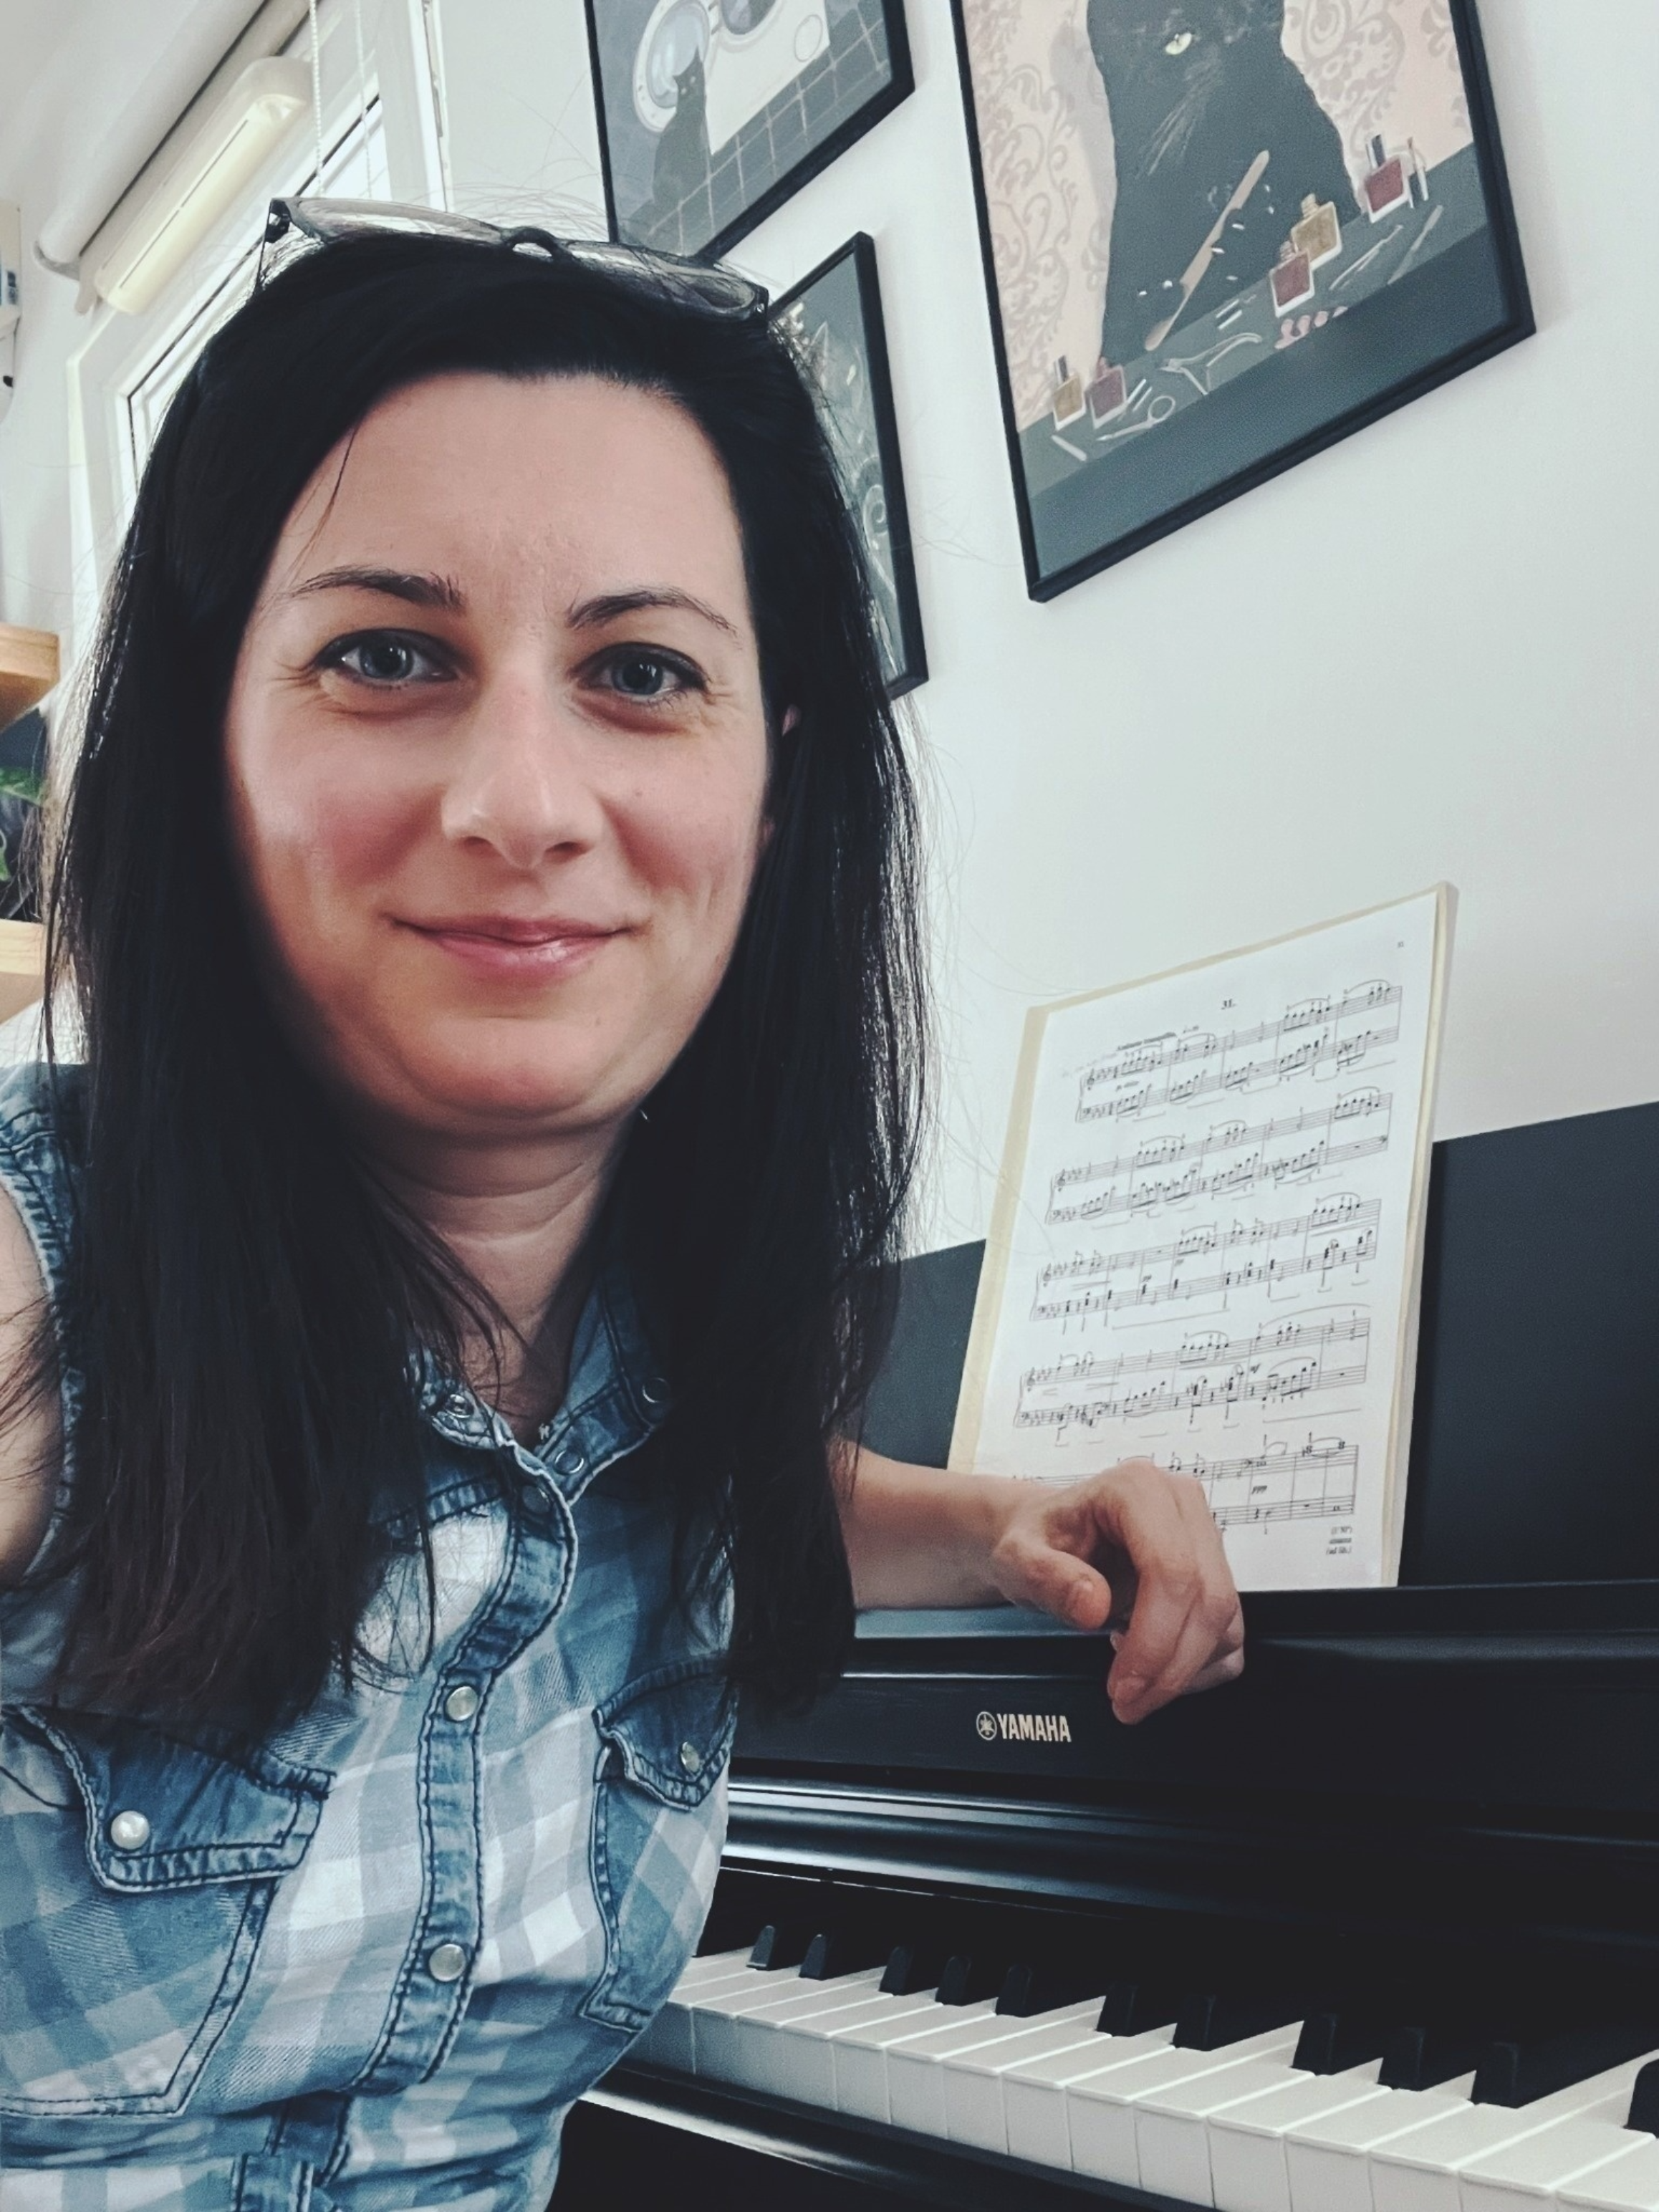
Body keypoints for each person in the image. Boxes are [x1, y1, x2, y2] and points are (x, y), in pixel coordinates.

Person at [0, 203, 1244, 2208]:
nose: (521, 799)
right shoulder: (33, 1281)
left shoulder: (667, 1335)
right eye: (384, 656)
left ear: (775, 788)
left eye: (642, 671)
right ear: (206, 748)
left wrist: (991, 1515)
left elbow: (621, 1470)